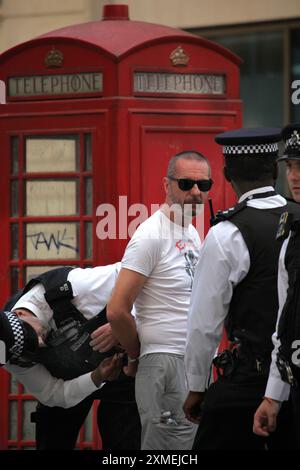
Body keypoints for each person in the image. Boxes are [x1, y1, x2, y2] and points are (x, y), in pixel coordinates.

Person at [183, 127, 300, 450]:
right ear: (276, 170)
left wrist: (196, 385)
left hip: (250, 378)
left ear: (226, 174)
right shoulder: (297, 216)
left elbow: (203, 324)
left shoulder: (226, 234)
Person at [107, 151, 212, 450]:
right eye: (186, 183)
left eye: (204, 185)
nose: (195, 192)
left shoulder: (191, 231)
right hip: (165, 362)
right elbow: (116, 310)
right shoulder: (150, 235)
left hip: (191, 363)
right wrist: (136, 353)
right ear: (166, 185)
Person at [0, 263, 141, 450]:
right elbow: (53, 393)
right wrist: (97, 376)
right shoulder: (11, 352)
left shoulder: (77, 286)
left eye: (36, 337)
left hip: (122, 378)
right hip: (68, 384)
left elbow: (142, 277)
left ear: (20, 314)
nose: (42, 345)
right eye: (31, 349)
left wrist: (124, 323)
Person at [253, 123, 300, 447]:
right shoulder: (291, 239)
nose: (295, 176)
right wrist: (274, 394)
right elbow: (284, 323)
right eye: (291, 166)